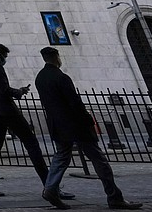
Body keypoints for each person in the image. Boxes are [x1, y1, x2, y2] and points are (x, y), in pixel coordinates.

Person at [36, 47, 143, 210]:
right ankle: (114, 197)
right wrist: (87, 120)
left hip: (57, 125)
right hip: (76, 126)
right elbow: (74, 102)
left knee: (61, 158)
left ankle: (50, 189)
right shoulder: (61, 77)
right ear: (56, 57)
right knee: (99, 161)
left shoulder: (40, 78)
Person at [0, 44, 69, 199]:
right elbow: (4, 90)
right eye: (5, 56)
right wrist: (19, 92)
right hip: (7, 111)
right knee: (31, 143)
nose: (5, 59)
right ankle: (50, 186)